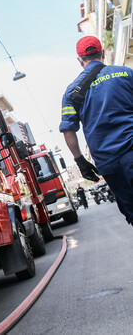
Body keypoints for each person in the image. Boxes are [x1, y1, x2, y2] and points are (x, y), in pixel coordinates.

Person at [59, 36, 133, 225]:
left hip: (107, 161)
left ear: (80, 60)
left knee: (130, 208)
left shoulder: (71, 92)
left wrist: (81, 162)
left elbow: (69, 131)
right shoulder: (125, 73)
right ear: (102, 53)